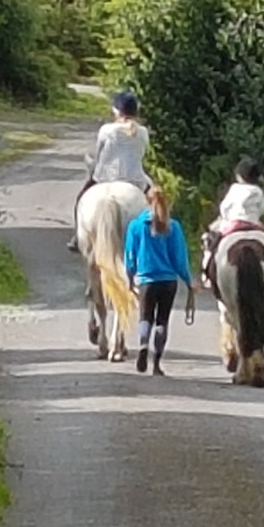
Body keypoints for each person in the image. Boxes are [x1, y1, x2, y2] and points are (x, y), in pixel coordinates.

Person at [67, 90, 153, 253]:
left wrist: (93, 167)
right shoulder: (143, 132)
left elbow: (99, 154)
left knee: (81, 199)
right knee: (157, 201)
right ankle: (158, 235)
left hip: (106, 177)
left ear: (117, 110)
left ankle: (78, 237)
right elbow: (142, 155)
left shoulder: (107, 130)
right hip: (135, 180)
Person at [123, 187, 195, 376]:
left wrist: (130, 278)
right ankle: (156, 364)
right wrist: (188, 281)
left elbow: (130, 256)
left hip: (146, 280)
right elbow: (179, 258)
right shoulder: (173, 227)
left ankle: (143, 344)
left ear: (146, 202)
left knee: (145, 317)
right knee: (162, 320)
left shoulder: (136, 226)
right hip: (168, 281)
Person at [200, 157, 264, 288]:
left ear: (240, 176)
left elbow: (224, 207)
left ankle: (206, 271)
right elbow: (261, 209)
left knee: (213, 244)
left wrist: (226, 217)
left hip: (234, 223)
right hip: (254, 224)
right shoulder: (258, 191)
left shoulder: (235, 188)